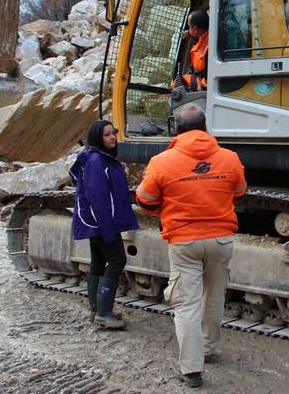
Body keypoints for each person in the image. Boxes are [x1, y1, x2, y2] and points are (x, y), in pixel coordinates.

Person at [136, 103, 246, 389]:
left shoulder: (162, 161)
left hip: (185, 241)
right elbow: (240, 193)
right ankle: (208, 349)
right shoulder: (231, 158)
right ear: (205, 127)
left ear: (176, 129)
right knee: (213, 297)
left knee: (186, 303)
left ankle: (191, 369)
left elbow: (145, 200)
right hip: (221, 240)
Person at [69, 119, 139, 329]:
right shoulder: (97, 162)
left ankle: (97, 308)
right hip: (100, 222)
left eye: (113, 134)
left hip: (97, 222)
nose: (112, 138)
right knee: (117, 260)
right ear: (98, 138)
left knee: (98, 263)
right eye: (107, 135)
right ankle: (104, 312)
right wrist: (107, 229)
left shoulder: (98, 159)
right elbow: (98, 197)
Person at [175, 10, 209, 92]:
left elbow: (210, 74)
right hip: (197, 75)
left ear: (195, 29)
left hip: (204, 82)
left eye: (189, 26)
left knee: (177, 85)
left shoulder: (208, 48)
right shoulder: (205, 33)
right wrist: (190, 33)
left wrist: (201, 86)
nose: (188, 29)